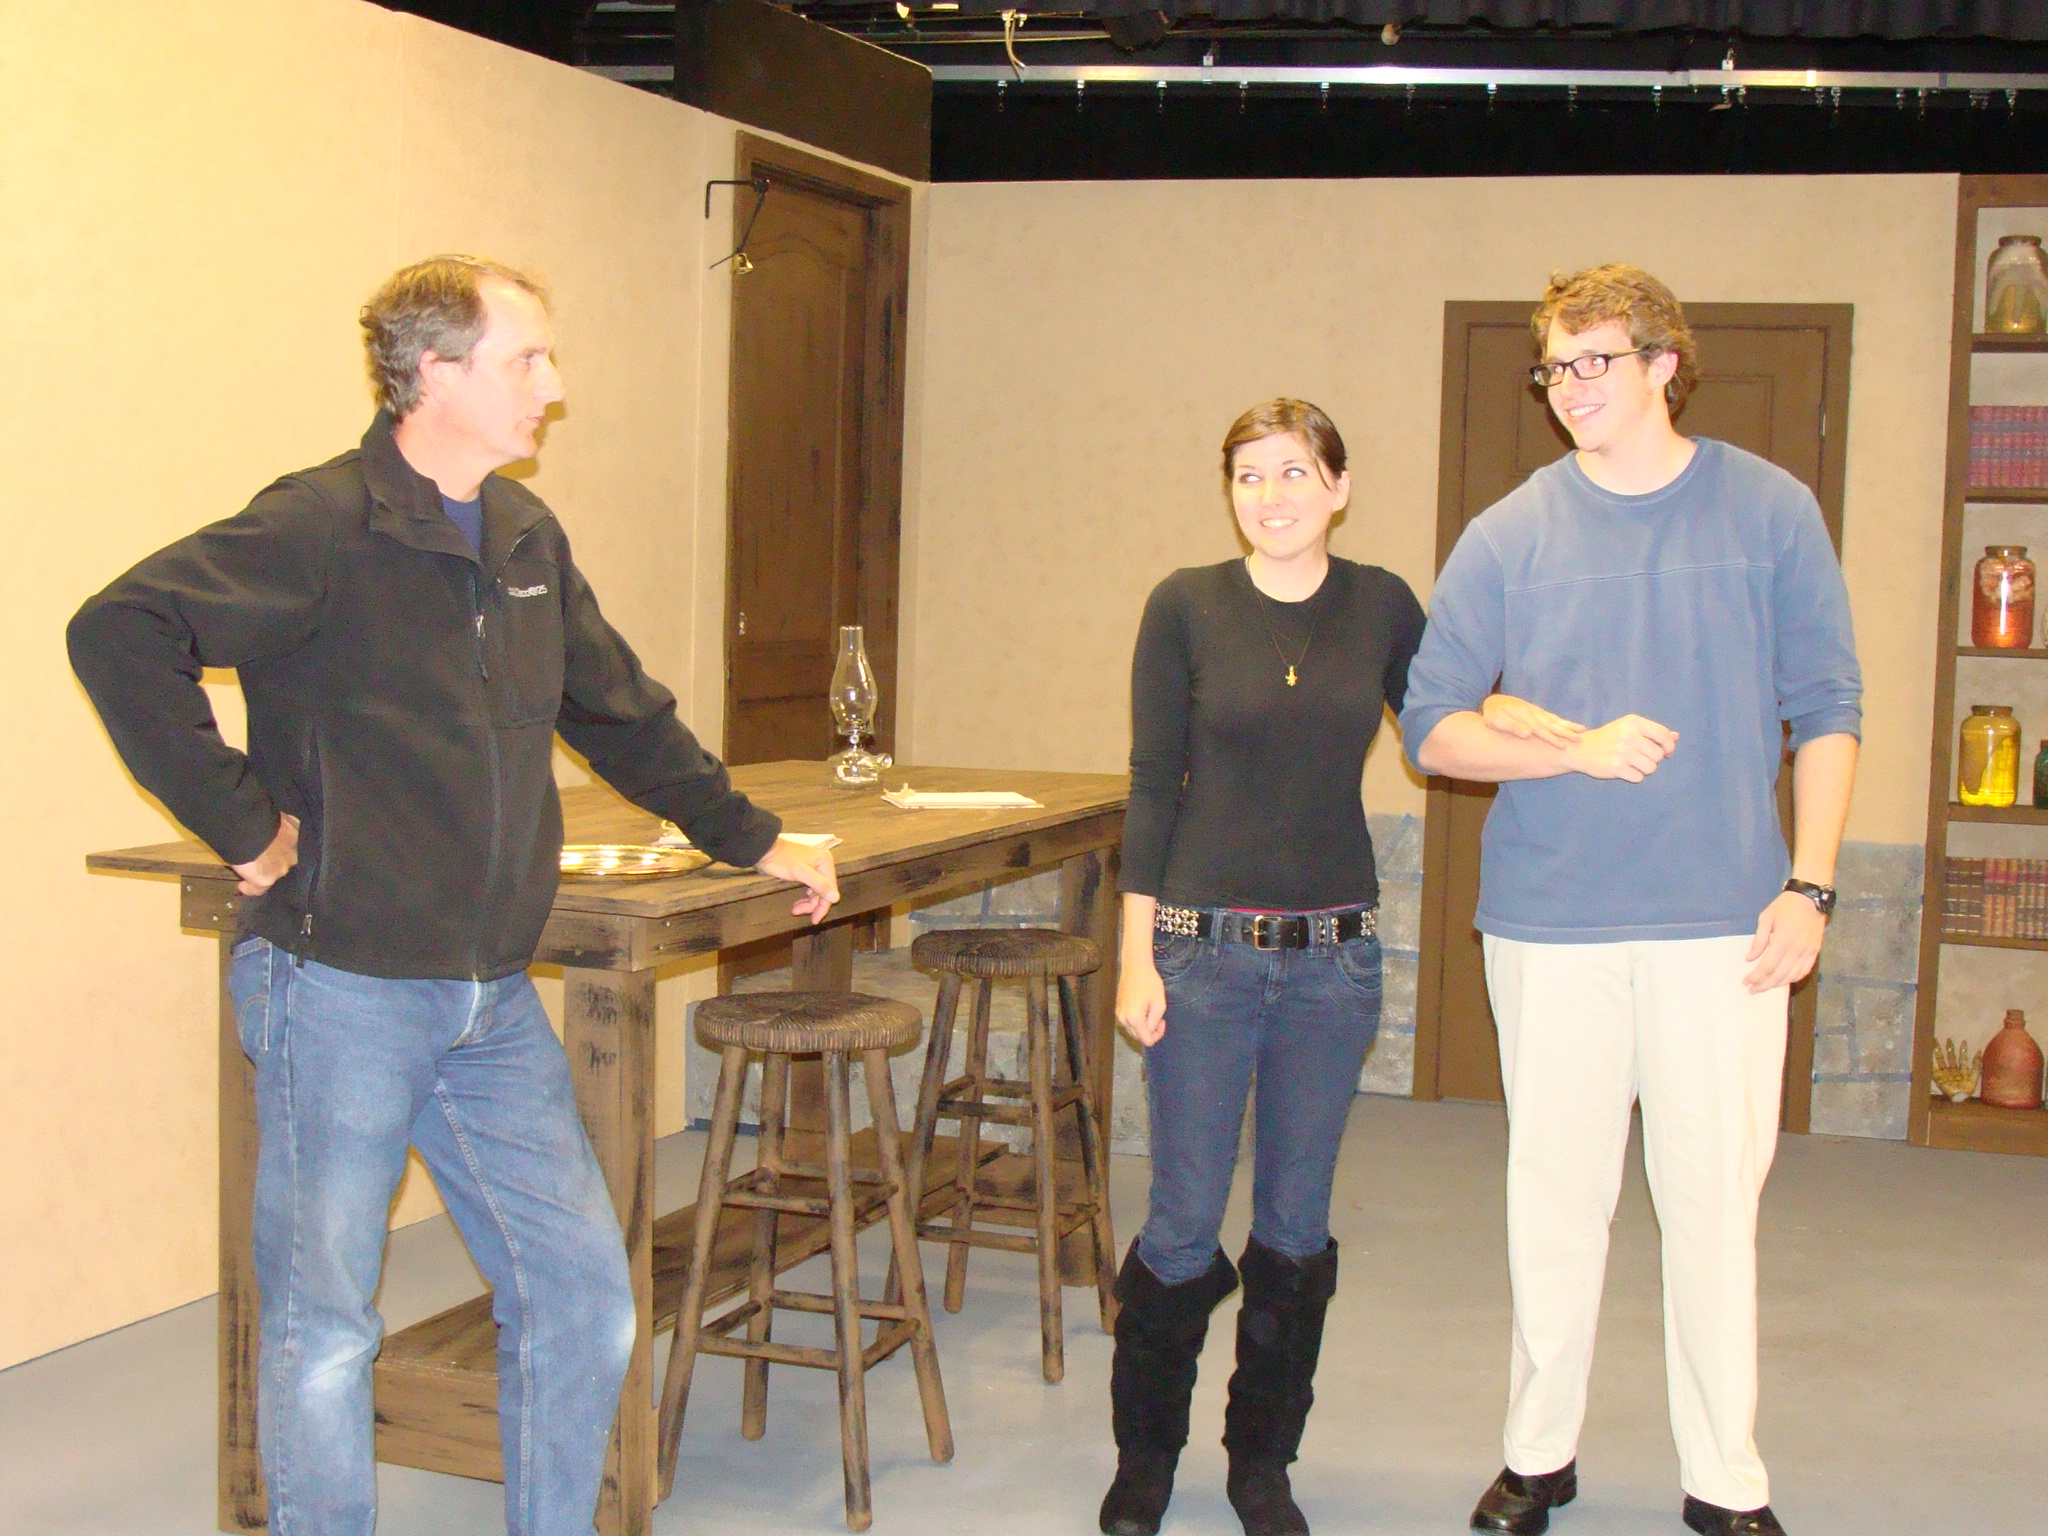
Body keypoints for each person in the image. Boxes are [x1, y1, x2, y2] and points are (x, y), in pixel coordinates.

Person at [67, 255, 839, 1536]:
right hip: (339, 989)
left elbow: (618, 711)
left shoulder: (524, 534)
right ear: (434, 374)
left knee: (584, 1301)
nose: (553, 384)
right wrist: (240, 822)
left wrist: (750, 835)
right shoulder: (321, 525)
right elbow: (118, 629)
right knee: (324, 1330)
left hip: (488, 998)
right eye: (526, 358)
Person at [1400, 265, 1861, 1536]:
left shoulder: (1768, 511)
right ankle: (1535, 1457)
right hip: (1549, 927)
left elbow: (1826, 708)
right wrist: (1571, 750)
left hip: (1725, 926)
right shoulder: (1508, 534)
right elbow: (1431, 727)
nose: (1568, 388)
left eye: (1592, 360)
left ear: (1664, 364)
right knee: (1553, 1204)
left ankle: (1724, 1479)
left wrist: (1810, 886)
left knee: (1714, 1212)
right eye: (1553, 367)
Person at [1102, 399, 1426, 1536]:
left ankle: (1261, 1464)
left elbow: (1443, 725)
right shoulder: (1184, 604)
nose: (1271, 495)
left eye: (1294, 472)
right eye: (1248, 474)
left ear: (1338, 486)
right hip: (1201, 954)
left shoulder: (1382, 604)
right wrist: (1135, 958)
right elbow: (1154, 783)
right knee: (1182, 1222)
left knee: (1294, 1227)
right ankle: (1145, 1458)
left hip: (1333, 963)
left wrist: (1551, 734)